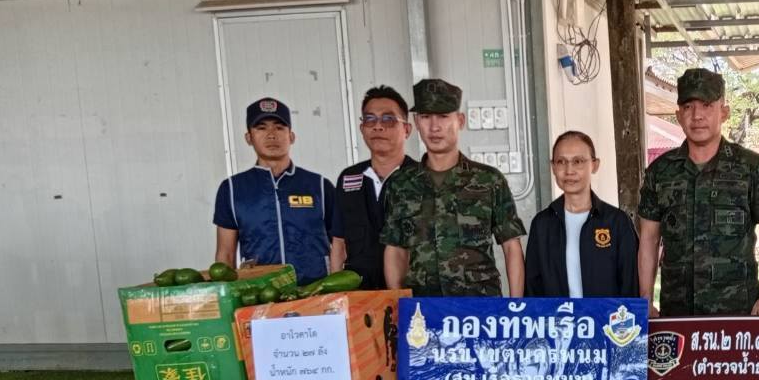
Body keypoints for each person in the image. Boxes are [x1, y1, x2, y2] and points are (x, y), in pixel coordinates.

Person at [637, 68, 759, 316]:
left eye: (706, 105)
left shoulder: (750, 167)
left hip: (737, 312)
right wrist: (645, 300)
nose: (697, 116)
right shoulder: (660, 171)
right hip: (678, 313)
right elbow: (649, 239)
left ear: (724, 112)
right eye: (688, 107)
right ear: (678, 115)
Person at [381, 78, 526, 297]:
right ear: (416, 122)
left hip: (478, 306)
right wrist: (398, 303)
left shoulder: (488, 180)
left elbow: (511, 247)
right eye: (426, 116)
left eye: (443, 116)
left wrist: (515, 308)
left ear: (460, 120)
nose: (434, 127)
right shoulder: (400, 184)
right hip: (423, 307)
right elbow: (395, 250)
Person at [213, 97, 343, 285]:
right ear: (248, 138)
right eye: (261, 128)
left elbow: (340, 243)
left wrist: (335, 288)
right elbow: (225, 254)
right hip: (260, 292)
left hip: (315, 290)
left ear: (291, 136)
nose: (271, 135)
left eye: (279, 127)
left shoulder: (320, 186)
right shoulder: (232, 189)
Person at [525, 131, 640, 299]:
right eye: (561, 162)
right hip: (557, 316)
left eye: (577, 161)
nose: (569, 170)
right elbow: (532, 287)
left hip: (607, 315)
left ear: (595, 165)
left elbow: (631, 284)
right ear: (553, 167)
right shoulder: (542, 224)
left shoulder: (617, 222)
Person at [336, 86, 419, 290]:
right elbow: (338, 244)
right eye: (370, 119)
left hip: (411, 294)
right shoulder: (348, 178)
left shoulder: (422, 178)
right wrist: (336, 295)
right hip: (359, 294)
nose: (378, 127)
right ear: (362, 128)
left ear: (407, 129)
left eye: (388, 119)